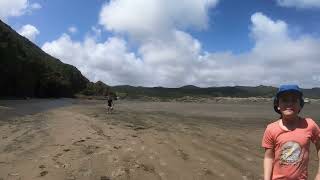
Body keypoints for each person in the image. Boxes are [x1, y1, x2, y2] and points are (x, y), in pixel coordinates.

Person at [262, 84, 320, 180]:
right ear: (278, 105)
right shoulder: (271, 129)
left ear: (300, 105)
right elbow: (269, 157)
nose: (289, 104)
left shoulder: (310, 125)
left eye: (294, 100)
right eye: (285, 100)